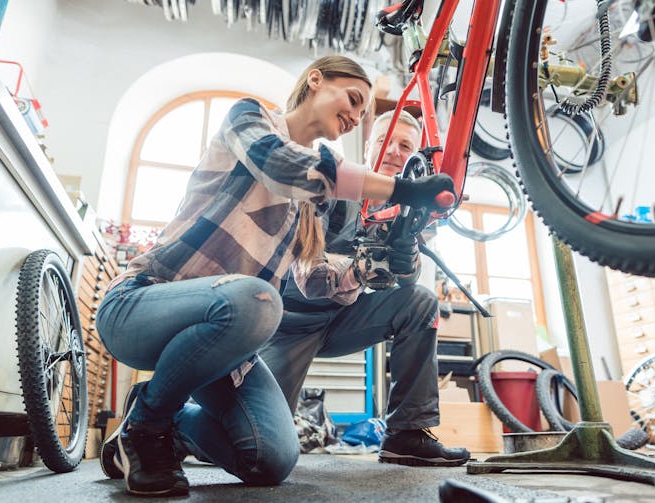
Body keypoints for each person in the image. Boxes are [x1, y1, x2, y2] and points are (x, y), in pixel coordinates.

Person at [96, 56, 455, 497]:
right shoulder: (249, 118)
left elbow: (314, 278)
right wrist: (402, 188)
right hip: (147, 303)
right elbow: (283, 166)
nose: (354, 116)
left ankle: (166, 421)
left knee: (271, 458)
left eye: (362, 112)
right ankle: (146, 426)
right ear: (315, 80)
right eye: (353, 100)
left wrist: (369, 267)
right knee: (257, 299)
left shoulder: (313, 202)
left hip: (238, 331)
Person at [259, 109, 470, 467]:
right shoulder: (331, 185)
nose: (395, 152)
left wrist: (409, 259)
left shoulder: (403, 208)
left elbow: (405, 282)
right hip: (289, 323)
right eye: (389, 142)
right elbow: (308, 272)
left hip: (340, 320)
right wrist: (359, 268)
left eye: (406, 146)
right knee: (258, 446)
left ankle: (406, 434)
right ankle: (173, 419)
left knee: (419, 303)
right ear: (370, 146)